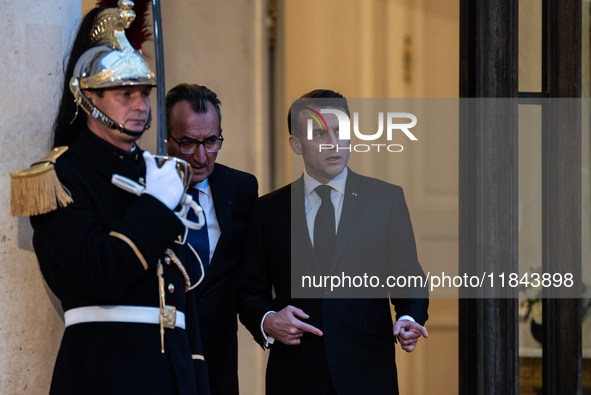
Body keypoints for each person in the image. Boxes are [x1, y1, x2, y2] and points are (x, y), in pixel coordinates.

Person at [11, 4, 209, 394]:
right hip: (104, 372)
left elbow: (182, 304)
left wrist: (198, 379)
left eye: (145, 92)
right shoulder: (59, 178)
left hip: (174, 376)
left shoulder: (157, 173)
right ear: (88, 96)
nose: (140, 105)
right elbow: (100, 274)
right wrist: (155, 205)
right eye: (124, 93)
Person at [237, 89, 429, 394]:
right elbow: (248, 289)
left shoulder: (386, 199)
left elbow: (408, 275)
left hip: (367, 371)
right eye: (318, 133)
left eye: (339, 131)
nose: (332, 142)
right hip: (295, 374)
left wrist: (409, 316)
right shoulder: (267, 210)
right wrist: (267, 319)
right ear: (296, 144)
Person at [166, 83, 259, 395]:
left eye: (211, 141)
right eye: (188, 143)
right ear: (166, 138)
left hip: (218, 353)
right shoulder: (145, 187)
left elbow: (250, 273)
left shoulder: (242, 189)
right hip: (161, 348)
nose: (201, 156)